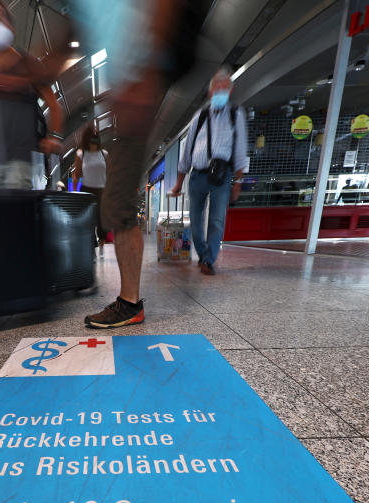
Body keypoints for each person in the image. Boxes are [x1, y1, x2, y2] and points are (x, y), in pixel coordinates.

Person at [79, 0, 211, 327]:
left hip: (137, 97)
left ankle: (129, 303)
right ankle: (129, 300)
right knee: (116, 205)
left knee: (119, 204)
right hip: (132, 96)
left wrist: (146, 77)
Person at [0, 0, 64, 189]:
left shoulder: (28, 64)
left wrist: (54, 137)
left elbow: (54, 104)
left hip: (23, 161)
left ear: (8, 23)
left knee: (16, 211)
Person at [169, 68, 248, 276]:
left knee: (216, 220)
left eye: (225, 89)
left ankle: (208, 260)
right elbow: (187, 151)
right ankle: (204, 253)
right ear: (210, 92)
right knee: (195, 221)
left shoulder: (236, 115)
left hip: (222, 176)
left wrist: (238, 182)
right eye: (217, 89)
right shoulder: (201, 116)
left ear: (230, 92)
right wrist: (178, 182)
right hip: (197, 175)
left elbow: (240, 150)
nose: (220, 93)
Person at [72, 124, 109, 255]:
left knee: (102, 219)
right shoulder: (81, 154)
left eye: (96, 134)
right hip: (87, 189)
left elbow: (109, 173)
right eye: (92, 134)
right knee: (88, 219)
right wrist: (75, 192)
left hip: (102, 189)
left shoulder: (104, 154)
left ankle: (102, 241)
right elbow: (76, 174)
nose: (95, 136)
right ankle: (91, 243)